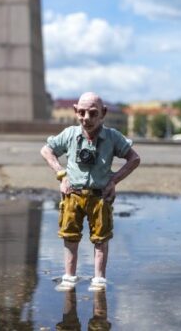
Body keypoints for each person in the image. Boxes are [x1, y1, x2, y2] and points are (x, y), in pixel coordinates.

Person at [41, 92, 141, 292]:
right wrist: (61, 174)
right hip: (73, 194)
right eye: (82, 112)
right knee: (70, 235)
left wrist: (113, 181)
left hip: (99, 196)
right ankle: (69, 276)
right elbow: (46, 150)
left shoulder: (112, 137)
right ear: (76, 110)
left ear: (103, 113)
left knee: (101, 237)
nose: (86, 118)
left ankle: (99, 279)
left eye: (93, 113)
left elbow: (134, 158)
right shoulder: (70, 134)